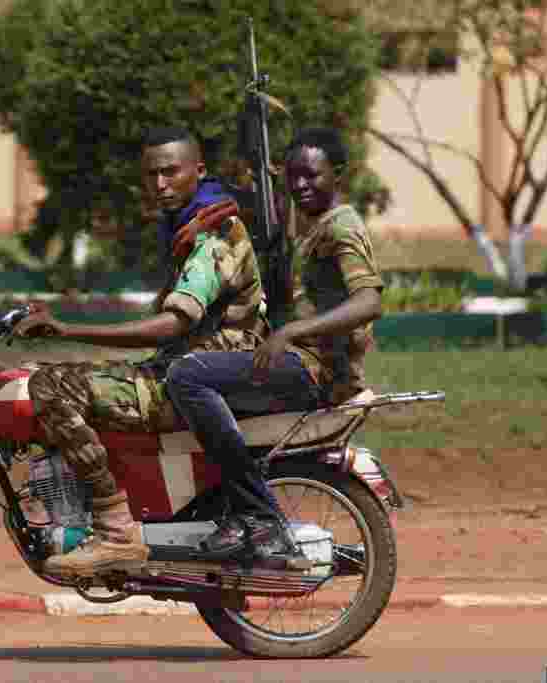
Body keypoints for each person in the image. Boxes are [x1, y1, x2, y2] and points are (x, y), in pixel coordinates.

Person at [14, 125, 267, 578]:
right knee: (68, 375)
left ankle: (115, 532)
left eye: (171, 172)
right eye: (151, 175)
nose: (160, 185)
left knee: (51, 385)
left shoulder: (214, 233)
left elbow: (175, 322)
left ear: (199, 170)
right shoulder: (186, 224)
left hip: (200, 375)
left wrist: (68, 329)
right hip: (188, 365)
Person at [164, 126, 384, 561]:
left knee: (187, 377)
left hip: (316, 369)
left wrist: (290, 333)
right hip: (300, 360)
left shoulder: (342, 226)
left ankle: (257, 514)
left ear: (337, 175)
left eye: (313, 176)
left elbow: (369, 300)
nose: (301, 184)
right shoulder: (309, 226)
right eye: (293, 175)